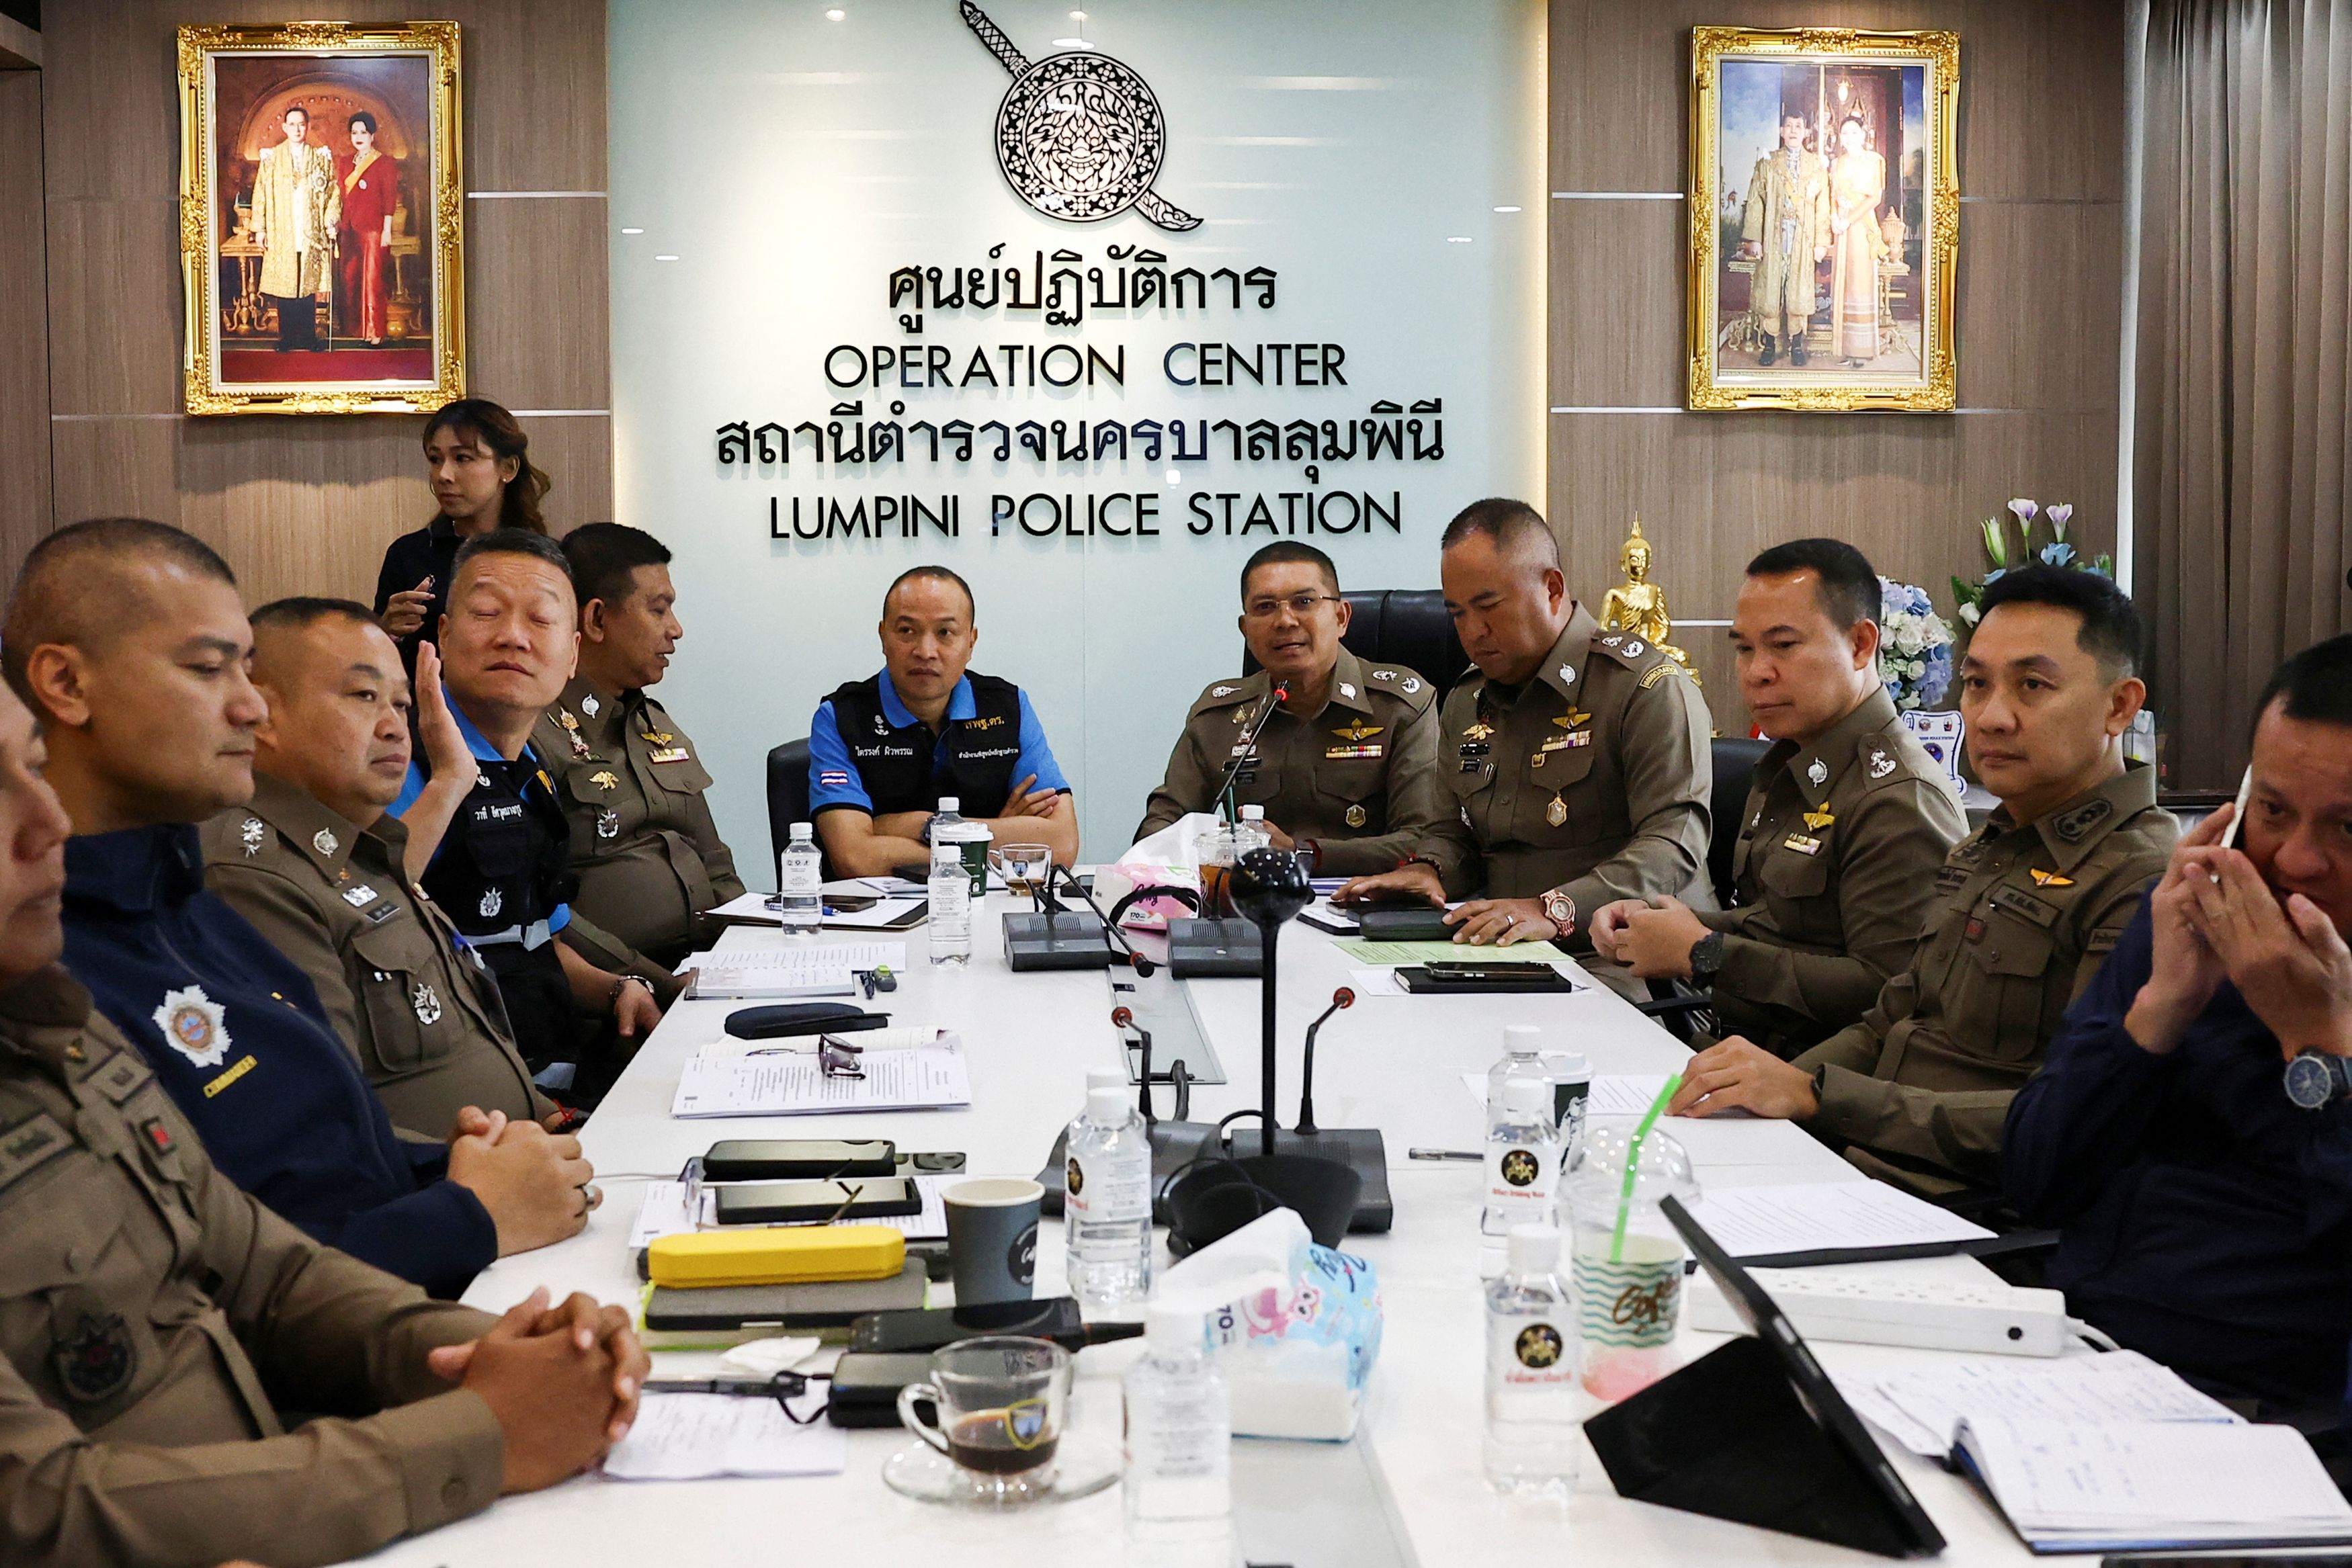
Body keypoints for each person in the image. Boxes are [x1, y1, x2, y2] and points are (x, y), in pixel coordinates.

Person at [0, 667, 649, 1567]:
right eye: (205, 666)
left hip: (301, 1481)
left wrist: (518, 1353)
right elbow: (37, 1508)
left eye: (33, 771)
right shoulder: (190, 905)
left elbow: (265, 1275)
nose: (46, 823)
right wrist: (484, 1431)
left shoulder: (56, 1030)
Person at [9, 518, 595, 1299]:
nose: (249, 708)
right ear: (67, 685)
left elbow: (334, 1145)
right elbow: (223, 1281)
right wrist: (468, 1210)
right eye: (209, 669)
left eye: (246, 672)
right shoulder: (68, 952)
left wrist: (462, 1166)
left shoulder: (185, 906)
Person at [1669, 566, 2177, 1199]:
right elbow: (1890, 1021)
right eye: (1977, 684)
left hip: (1963, 1205)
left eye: (2032, 686)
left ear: (2119, 706)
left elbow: (2070, 1123)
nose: (1991, 717)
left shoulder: (2143, 879)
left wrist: (1819, 1096)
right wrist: (1759, 1094)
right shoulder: (1984, 847)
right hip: (1858, 1162)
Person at [2005, 634, 2352, 1410]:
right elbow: (2035, 1179)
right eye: (2272, 811)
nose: (2294, 861)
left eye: (2347, 828)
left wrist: (2319, 1049)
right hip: (2064, 1343)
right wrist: (2161, 1006)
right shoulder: (2192, 917)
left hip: (2262, 1410)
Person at [1591, 539, 1965, 1055]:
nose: (1756, 672)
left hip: (1812, 1081)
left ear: (1861, 645)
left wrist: (1704, 953)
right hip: (1735, 1052)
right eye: (1745, 649)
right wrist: (1656, 923)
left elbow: (1891, 993)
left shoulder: (1898, 797)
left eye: (1783, 645)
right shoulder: (1792, 765)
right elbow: (1776, 928)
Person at [202, 597, 557, 1139]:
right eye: (365, 696)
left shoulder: (362, 850)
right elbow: (325, 1118)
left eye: (401, 703)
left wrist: (546, 1115)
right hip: (448, 1181)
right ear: (263, 715)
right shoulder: (251, 877)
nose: (395, 728)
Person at [1333, 498, 1714, 965]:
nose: (1472, 631)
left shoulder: (1642, 687)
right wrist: (1430, 870)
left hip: (1620, 955)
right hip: (1501, 943)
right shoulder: (1467, 699)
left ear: (1552, 589)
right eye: (1457, 613)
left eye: (1487, 606)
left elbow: (1673, 847)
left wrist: (1553, 908)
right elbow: (1453, 832)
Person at [390, 530, 666, 1092]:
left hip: (552, 1078)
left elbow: (533, 941)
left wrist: (618, 988)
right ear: (444, 634)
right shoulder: (400, 761)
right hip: (468, 1103)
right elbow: (364, 913)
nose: (513, 637)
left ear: (572, 655)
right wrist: (448, 783)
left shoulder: (532, 770)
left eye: (540, 619)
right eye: (487, 613)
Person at [1134, 541, 1459, 879]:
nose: (1285, 621)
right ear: (1246, 630)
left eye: (1304, 602)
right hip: (1249, 900)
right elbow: (1161, 827)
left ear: (1341, 618)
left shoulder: (1399, 706)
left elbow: (1424, 839)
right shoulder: (1220, 717)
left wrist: (1302, 854)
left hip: (1369, 899)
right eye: (1265, 607)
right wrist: (1207, 846)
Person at [532, 523, 744, 979]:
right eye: (658, 610)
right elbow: (545, 910)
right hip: (617, 988)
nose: (676, 630)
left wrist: (752, 951)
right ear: (596, 620)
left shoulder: (655, 723)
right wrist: (652, 983)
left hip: (707, 968)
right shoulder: (534, 734)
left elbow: (716, 864)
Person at [809, 564, 1078, 877]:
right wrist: (992, 836)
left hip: (986, 902)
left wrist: (916, 826)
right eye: (907, 631)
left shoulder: (1009, 707)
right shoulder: (840, 716)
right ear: (883, 636)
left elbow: (1061, 843)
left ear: (971, 642)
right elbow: (854, 857)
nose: (926, 651)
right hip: (877, 907)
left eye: (945, 633)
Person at [374, 398, 552, 672]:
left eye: (462, 458)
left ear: (508, 468)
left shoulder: (544, 559)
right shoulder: (409, 553)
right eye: (435, 460)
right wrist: (386, 631)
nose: (443, 475)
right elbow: (376, 667)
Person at [1738, 112, 1830, 368]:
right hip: (1773, 237)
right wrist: (1755, 239)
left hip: (1803, 238)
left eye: (1798, 126)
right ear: (1782, 131)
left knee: (1799, 290)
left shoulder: (1816, 166)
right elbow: (1755, 201)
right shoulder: (1768, 163)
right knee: (1771, 290)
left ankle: (1796, 345)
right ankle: (1769, 345)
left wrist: (1821, 242)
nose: (1793, 131)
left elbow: (1823, 206)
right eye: (1789, 126)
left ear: (1806, 132)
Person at [249, 103, 338, 353]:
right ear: (285, 127)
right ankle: (287, 337)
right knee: (286, 284)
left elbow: (333, 191)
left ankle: (309, 337)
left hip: (309, 230)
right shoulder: (271, 158)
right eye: (293, 125)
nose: (297, 129)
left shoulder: (320, 157)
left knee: (307, 284)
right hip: (282, 229)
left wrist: (330, 220)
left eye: (302, 124)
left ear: (307, 127)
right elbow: (260, 193)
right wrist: (260, 228)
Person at [1826, 114, 1888, 367]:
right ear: (1840, 138)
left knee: (1860, 283)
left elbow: (1875, 198)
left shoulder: (1875, 161)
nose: (1850, 137)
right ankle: (1846, 348)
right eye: (1845, 133)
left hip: (1861, 226)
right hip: (1841, 228)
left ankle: (1862, 351)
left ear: (1863, 135)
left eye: (1854, 132)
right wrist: (1834, 218)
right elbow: (1832, 195)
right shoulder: (1836, 163)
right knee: (1843, 283)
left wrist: (1848, 220)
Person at [337, 110, 398, 346]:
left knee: (372, 281)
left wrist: (387, 229)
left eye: (363, 132)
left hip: (374, 229)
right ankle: (356, 329)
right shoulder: (345, 163)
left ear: (372, 135)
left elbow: (390, 198)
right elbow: (340, 197)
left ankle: (375, 330)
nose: (359, 137)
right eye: (354, 133)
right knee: (351, 279)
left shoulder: (385, 163)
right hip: (349, 229)